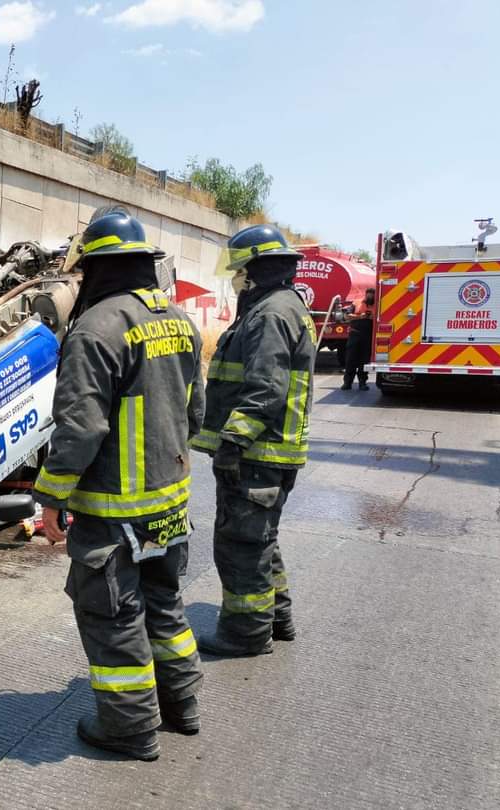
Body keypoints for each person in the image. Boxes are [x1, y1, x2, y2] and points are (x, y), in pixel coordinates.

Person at [33, 211, 205, 762]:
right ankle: (182, 706)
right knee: (165, 605)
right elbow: (193, 413)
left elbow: (81, 428)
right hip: (170, 504)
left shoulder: (98, 329)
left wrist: (51, 496)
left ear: (98, 269)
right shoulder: (180, 321)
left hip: (114, 511)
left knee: (113, 616)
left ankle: (129, 728)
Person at [191, 224, 316, 657]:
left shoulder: (269, 315)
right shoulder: (281, 306)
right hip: (272, 451)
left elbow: (266, 388)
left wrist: (233, 442)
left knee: (242, 545)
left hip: (259, 453)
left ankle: (245, 634)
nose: (235, 277)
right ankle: (277, 619)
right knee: (262, 539)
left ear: (256, 269)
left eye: (239, 269)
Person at [342, 288, 376, 390]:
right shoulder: (357, 303)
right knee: (350, 359)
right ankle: (347, 383)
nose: (370, 297)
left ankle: (362, 383)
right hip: (355, 334)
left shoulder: (378, 304)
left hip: (368, 336)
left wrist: (372, 317)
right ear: (366, 295)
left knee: (364, 360)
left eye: (372, 295)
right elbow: (346, 316)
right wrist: (360, 316)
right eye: (368, 294)